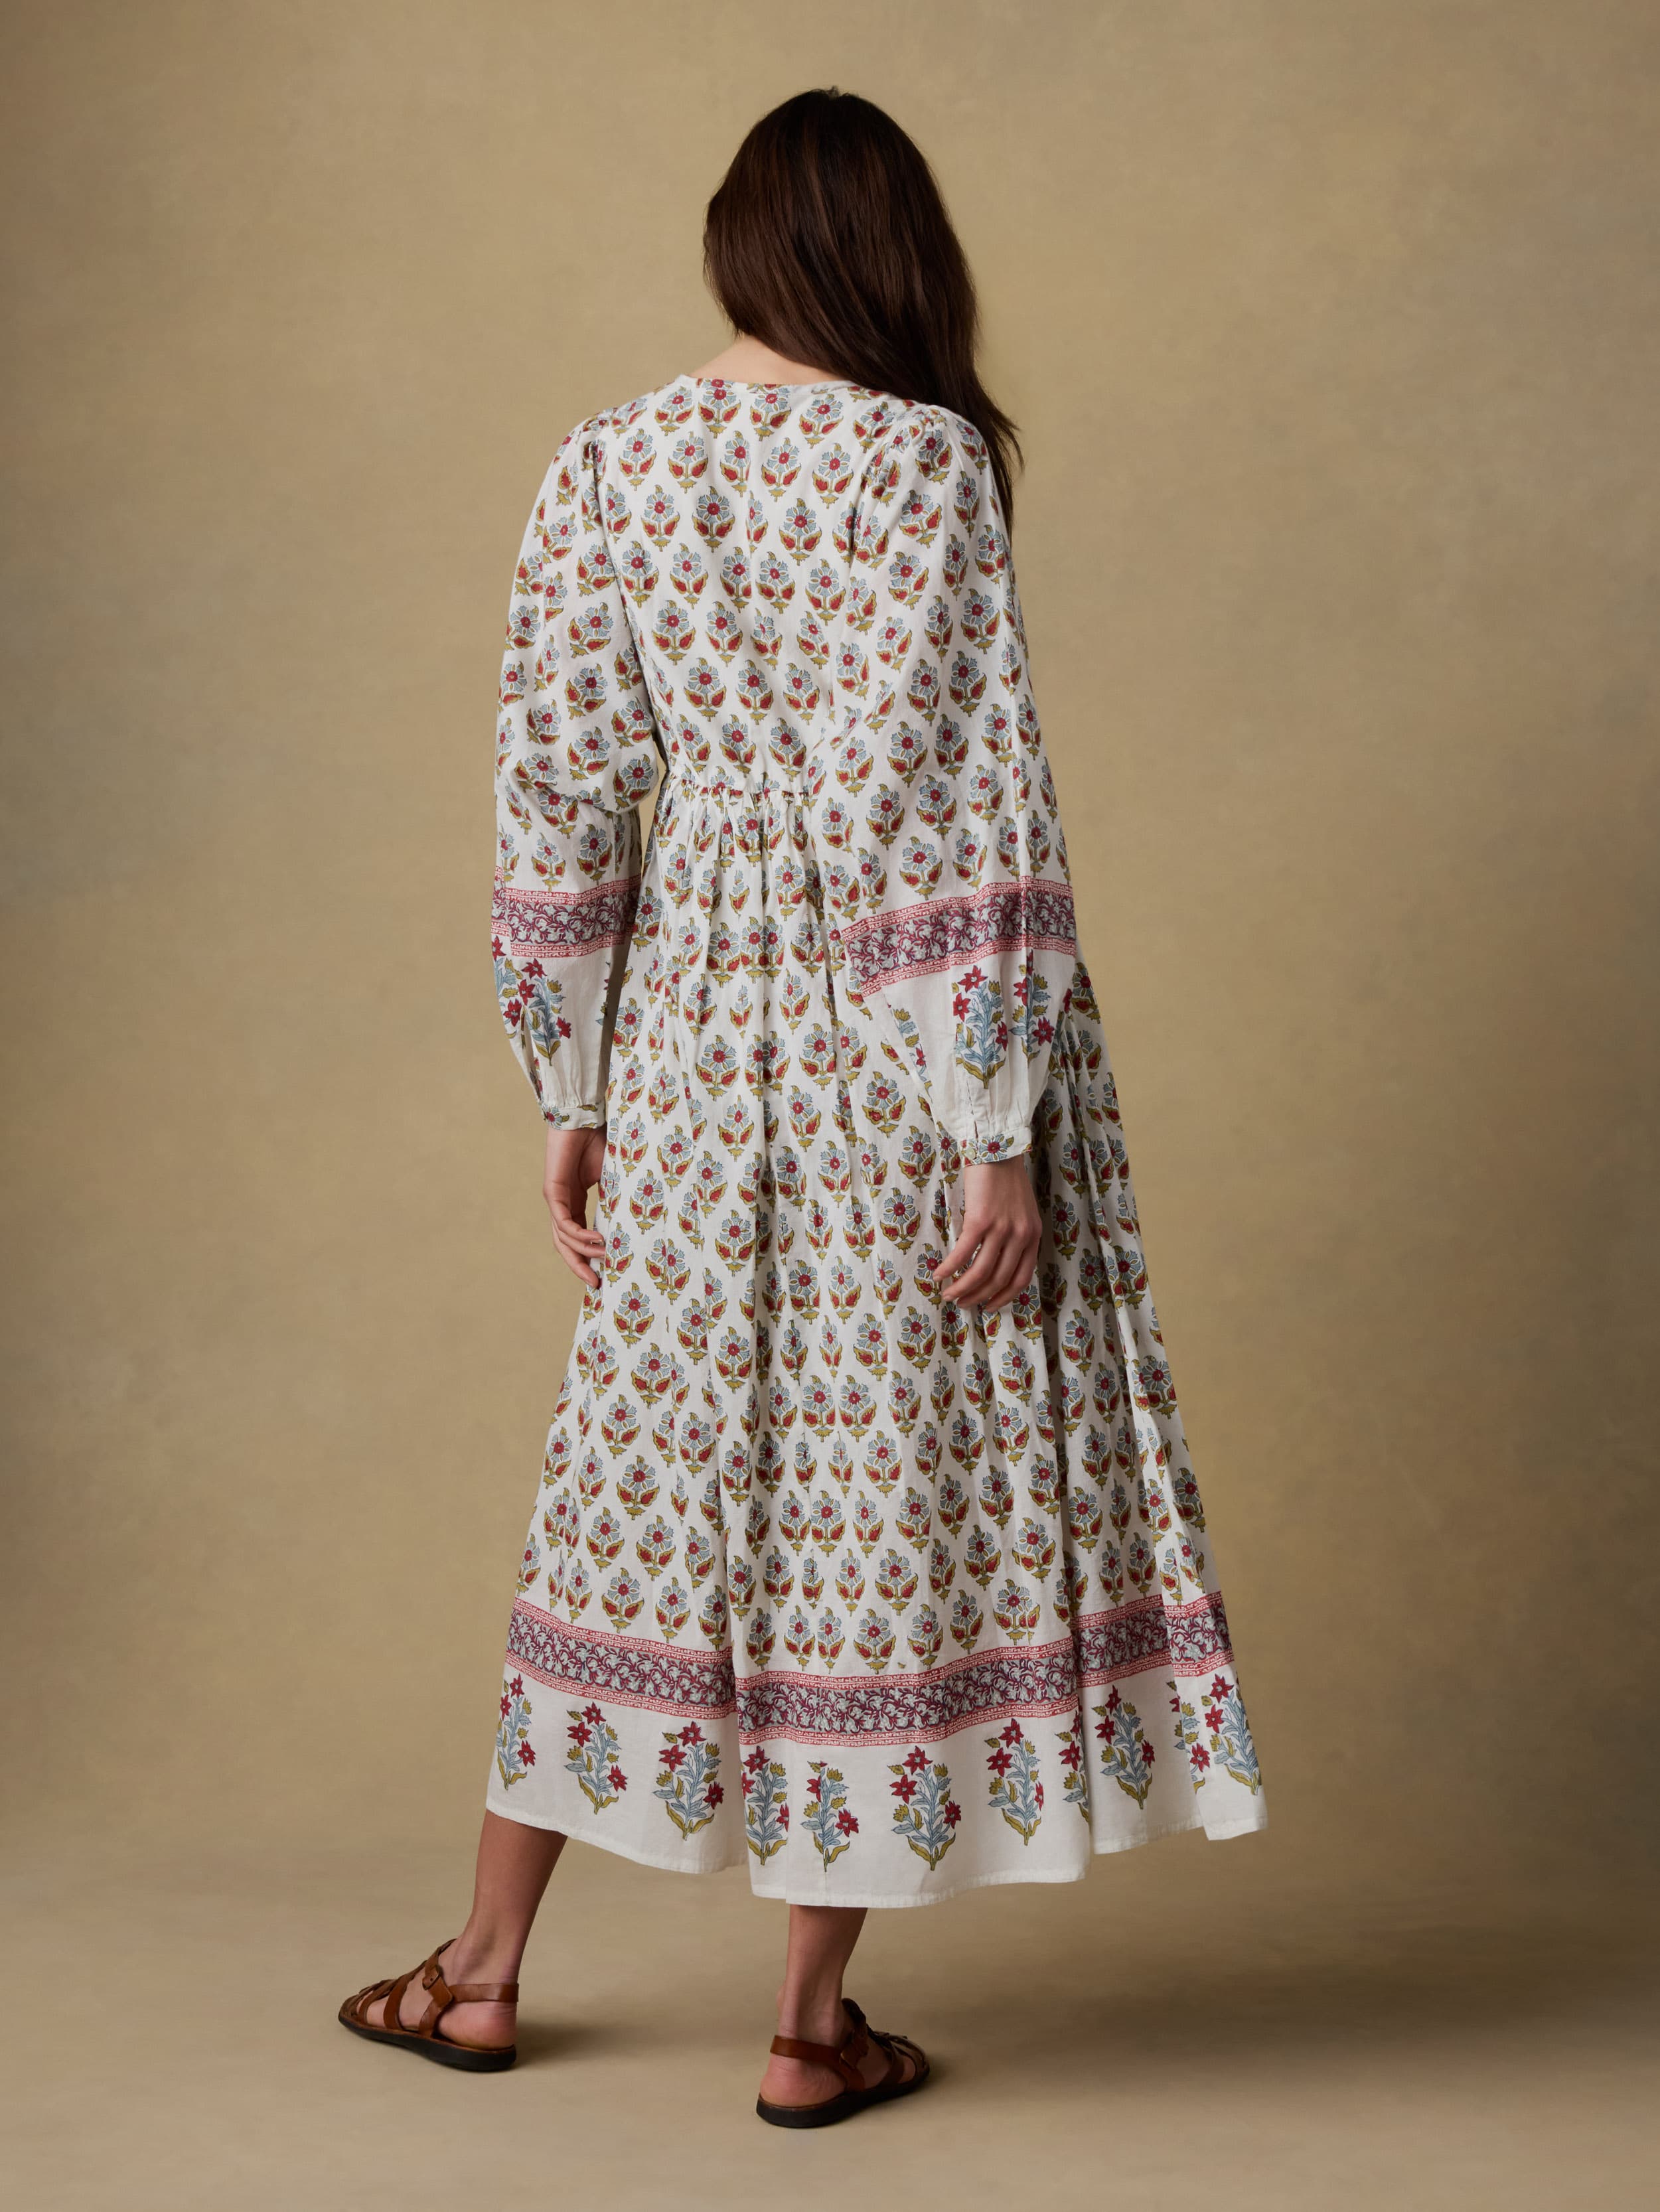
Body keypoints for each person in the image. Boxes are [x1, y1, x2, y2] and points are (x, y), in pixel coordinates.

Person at [339, 85, 1266, 2127]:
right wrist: (991, 1118)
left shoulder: (608, 459)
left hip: (686, 1023)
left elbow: (558, 784)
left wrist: (571, 1076)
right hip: (886, 1047)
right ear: (895, 253)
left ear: (737, 243)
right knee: (870, 1495)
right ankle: (806, 2029)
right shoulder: (916, 461)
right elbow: (941, 788)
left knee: (638, 1480)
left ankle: (480, 1971)